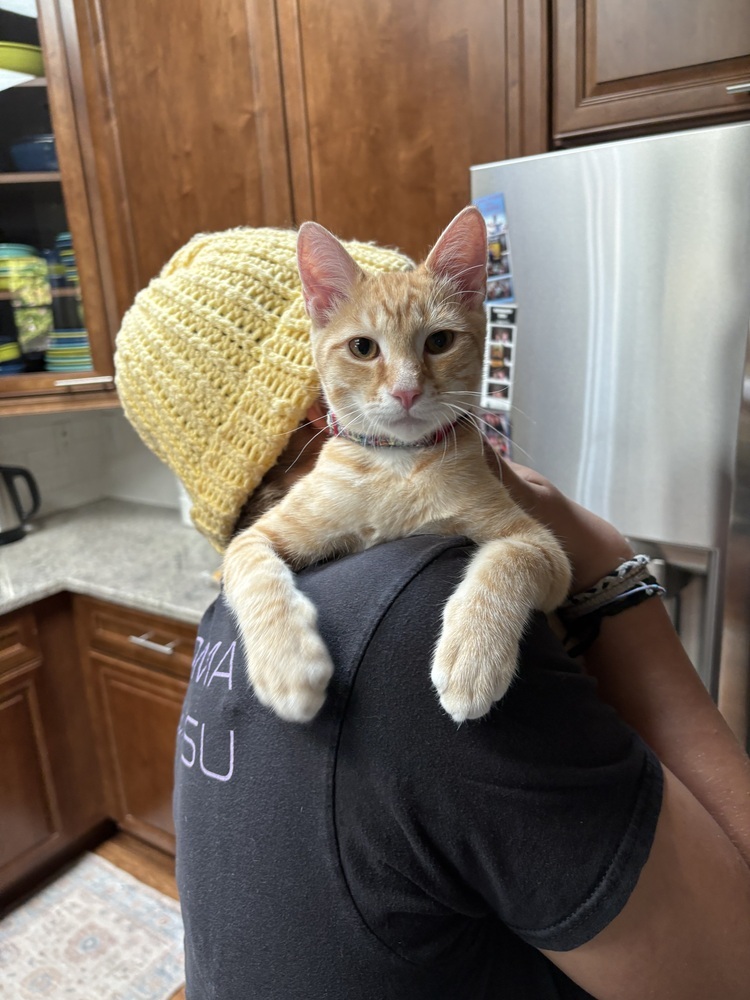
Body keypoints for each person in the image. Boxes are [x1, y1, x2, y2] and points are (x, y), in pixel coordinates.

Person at [115, 226, 750, 1000]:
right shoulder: (411, 612)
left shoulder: (221, 623)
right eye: (364, 350)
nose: (408, 383)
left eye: (439, 341)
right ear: (313, 365)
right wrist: (610, 568)